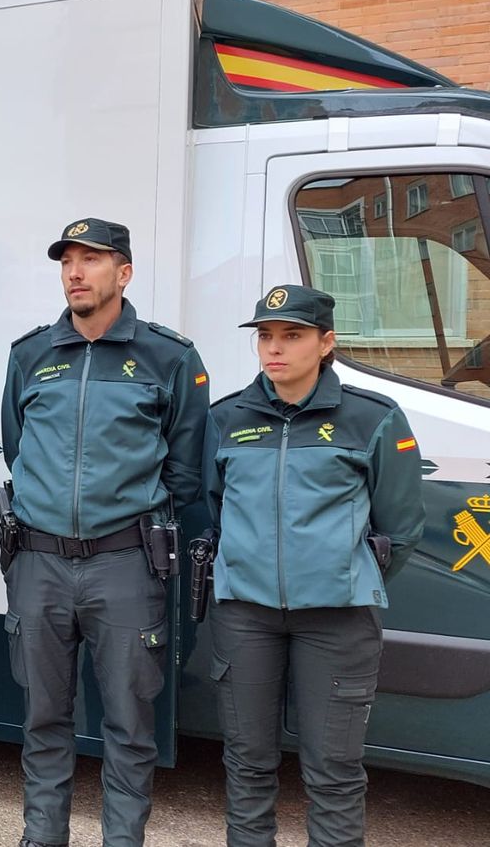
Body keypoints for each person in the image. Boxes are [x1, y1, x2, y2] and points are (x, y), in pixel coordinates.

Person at [1, 218, 210, 847]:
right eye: (66, 260)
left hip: (125, 564)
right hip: (38, 563)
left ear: (123, 273)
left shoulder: (168, 356)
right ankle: (43, 835)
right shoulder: (30, 353)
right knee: (42, 716)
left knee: (128, 722)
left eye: (90, 259)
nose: (74, 272)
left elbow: (185, 469)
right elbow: (18, 449)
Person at [204, 284, 423, 847]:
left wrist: (340, 577)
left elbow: (400, 527)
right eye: (266, 336)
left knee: (333, 773)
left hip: (338, 621)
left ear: (327, 343)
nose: (275, 349)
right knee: (248, 765)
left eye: (293, 336)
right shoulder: (227, 418)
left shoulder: (372, 418)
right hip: (245, 617)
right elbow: (212, 507)